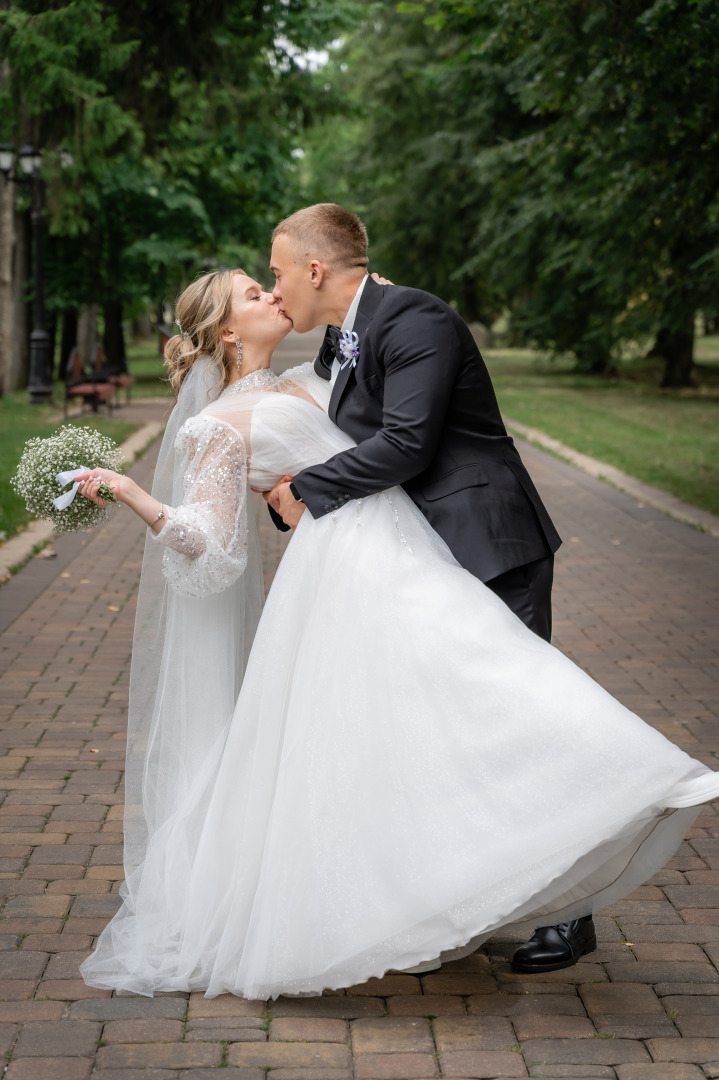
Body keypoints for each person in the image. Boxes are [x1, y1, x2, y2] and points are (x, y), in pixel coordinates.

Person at [77, 264, 719, 1000]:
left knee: (475, 694)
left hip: (406, 547)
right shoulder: (214, 424)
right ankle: (447, 889)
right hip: (348, 571)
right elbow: (208, 539)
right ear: (227, 330)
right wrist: (134, 495)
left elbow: (381, 417)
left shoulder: (310, 375)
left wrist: (366, 307)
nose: (272, 294)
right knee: (421, 721)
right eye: (254, 294)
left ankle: (605, 803)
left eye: (271, 280)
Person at [265, 203, 564, 970]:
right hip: (433, 554)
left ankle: (572, 908)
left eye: (276, 272)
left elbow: (404, 442)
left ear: (315, 269)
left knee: (522, 727)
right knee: (462, 734)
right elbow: (342, 405)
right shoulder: (359, 330)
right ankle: (486, 894)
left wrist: (309, 488)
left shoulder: (415, 319)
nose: (274, 289)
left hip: (489, 543)